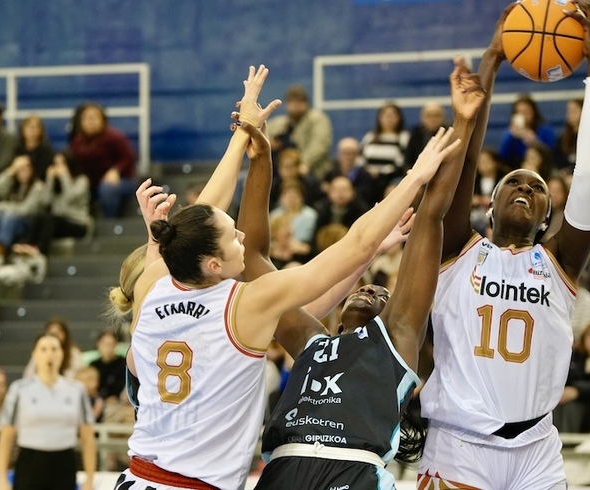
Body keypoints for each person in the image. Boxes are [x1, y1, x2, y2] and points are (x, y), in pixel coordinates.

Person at [113, 65, 459, 490]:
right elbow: (354, 246)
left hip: (137, 477)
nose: (239, 232)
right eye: (231, 237)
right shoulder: (246, 303)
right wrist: (416, 177)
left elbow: (199, 220)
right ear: (213, 266)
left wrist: (245, 132)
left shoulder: (152, 286)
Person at [248, 57, 486, 490]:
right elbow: (253, 262)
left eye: (381, 293)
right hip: (283, 468)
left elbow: (431, 214)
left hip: (351, 471)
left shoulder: (396, 337)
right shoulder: (311, 342)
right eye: (367, 286)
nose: (371, 289)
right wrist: (261, 156)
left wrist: (463, 123)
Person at [417, 2, 590, 488]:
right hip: (458, 445)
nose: (525, 188)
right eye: (514, 183)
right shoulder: (459, 247)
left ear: (549, 215)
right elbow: (461, 166)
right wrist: (490, 63)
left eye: (538, 187)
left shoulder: (560, 261)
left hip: (536, 451)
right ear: (490, 204)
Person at [0, 332, 96, 490]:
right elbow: (6, 437)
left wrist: (90, 479)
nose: (49, 354)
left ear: (62, 353)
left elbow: (88, 438)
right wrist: (1, 478)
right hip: (29, 465)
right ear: (34, 354)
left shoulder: (77, 390)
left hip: (64, 465)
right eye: (43, 349)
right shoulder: (19, 389)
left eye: (54, 349)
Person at [14, 150, 92, 257]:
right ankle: (26, 244)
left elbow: (71, 197)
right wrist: (50, 180)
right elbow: (45, 202)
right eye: (55, 164)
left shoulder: (82, 180)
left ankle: (40, 250)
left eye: (62, 163)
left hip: (78, 223)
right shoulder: (56, 183)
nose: (58, 168)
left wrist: (65, 176)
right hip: (58, 223)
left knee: (50, 219)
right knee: (40, 216)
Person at [68, 101, 137, 217]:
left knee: (107, 188)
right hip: (89, 183)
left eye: (94, 117)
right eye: (86, 118)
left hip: (120, 181)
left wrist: (116, 170)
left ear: (103, 120)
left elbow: (129, 157)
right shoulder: (77, 142)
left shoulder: (114, 137)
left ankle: (109, 224)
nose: (90, 122)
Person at [0, 155, 46, 256]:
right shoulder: (14, 184)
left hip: (27, 222)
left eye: (27, 168)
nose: (24, 172)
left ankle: (1, 246)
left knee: (8, 216)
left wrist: (1, 206)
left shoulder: (38, 187)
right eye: (20, 169)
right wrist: (11, 170)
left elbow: (25, 209)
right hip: (7, 219)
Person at [268, 84, 333, 180]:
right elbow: (263, 138)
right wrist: (270, 144)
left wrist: (303, 164)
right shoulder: (279, 123)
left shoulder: (317, 119)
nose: (295, 106)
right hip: (280, 172)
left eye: (298, 102)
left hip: (312, 171)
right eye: (291, 102)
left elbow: (320, 145)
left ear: (306, 103)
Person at [359, 102, 410, 198]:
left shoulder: (403, 137)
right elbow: (360, 158)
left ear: (399, 118)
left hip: (391, 179)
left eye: (392, 115)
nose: (389, 119)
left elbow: (402, 162)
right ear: (379, 118)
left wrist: (381, 172)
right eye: (386, 115)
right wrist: (368, 170)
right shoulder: (370, 137)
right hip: (369, 179)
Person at [499, 94, 557, 170]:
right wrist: (511, 136)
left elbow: (552, 153)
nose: (523, 115)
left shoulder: (544, 129)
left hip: (542, 168)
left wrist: (535, 141)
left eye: (526, 111)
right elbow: (503, 156)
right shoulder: (510, 133)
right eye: (519, 112)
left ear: (533, 111)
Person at [323, 136, 378, 206]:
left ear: (357, 155)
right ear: (338, 154)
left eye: (352, 153)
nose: (348, 157)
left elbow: (366, 196)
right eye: (345, 153)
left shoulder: (364, 176)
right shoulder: (330, 174)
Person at [403, 102, 447, 170]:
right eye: (429, 116)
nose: (433, 119)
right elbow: (408, 162)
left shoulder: (450, 134)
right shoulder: (416, 134)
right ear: (422, 118)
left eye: (437, 115)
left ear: (443, 117)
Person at [13, 115, 55, 181]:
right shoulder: (17, 149)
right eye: (30, 127)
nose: (32, 131)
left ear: (41, 130)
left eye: (36, 127)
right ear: (22, 130)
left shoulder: (47, 151)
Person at [554, 98, 583, 174]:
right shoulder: (562, 137)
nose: (570, 114)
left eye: (574, 111)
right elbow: (557, 162)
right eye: (568, 111)